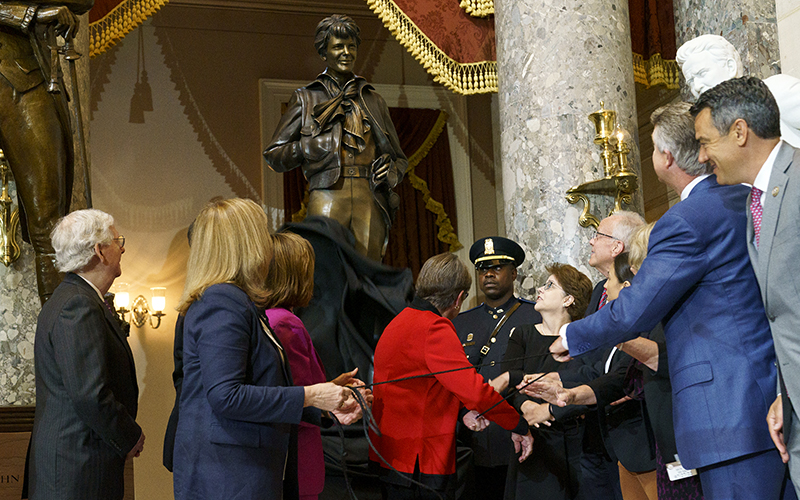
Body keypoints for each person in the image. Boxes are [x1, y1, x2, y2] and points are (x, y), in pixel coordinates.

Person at [550, 101, 788, 500]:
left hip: (728, 414)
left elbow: (635, 309)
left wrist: (571, 335)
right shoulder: (743, 198)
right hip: (764, 396)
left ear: (666, 157)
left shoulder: (688, 219)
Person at [172, 198, 357, 500]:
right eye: (262, 233)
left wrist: (326, 399)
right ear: (246, 244)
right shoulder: (222, 301)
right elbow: (226, 396)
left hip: (241, 469)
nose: (269, 245)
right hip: (230, 475)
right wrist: (312, 395)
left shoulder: (239, 301)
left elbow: (264, 387)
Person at [690, 76, 800, 498]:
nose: (701, 156)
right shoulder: (756, 199)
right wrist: (783, 393)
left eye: (705, 142)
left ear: (739, 132)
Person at [370, 252, 533, 500]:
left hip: (391, 454)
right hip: (421, 459)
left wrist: (461, 413)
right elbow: (475, 391)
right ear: (458, 299)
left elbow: (422, 383)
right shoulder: (434, 327)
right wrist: (519, 425)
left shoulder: (399, 321)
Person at [263, 14, 408, 261]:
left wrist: (390, 169)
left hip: (369, 195)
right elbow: (274, 154)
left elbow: (399, 159)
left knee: (369, 272)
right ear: (324, 52)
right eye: (338, 46)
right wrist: (308, 147)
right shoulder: (306, 98)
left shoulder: (373, 100)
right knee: (327, 269)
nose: (346, 52)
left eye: (351, 46)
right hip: (327, 193)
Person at [28, 209, 144, 499]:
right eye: (117, 240)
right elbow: (89, 393)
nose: (123, 247)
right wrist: (129, 436)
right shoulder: (77, 305)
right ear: (100, 251)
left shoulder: (74, 298)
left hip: (79, 464)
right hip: (78, 468)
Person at [263, 231, 369, 500]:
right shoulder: (287, 323)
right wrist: (338, 402)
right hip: (297, 453)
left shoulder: (267, 317)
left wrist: (333, 386)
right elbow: (298, 397)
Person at [0, 0, 93, 303]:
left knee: (50, 226)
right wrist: (30, 13)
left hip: (28, 70)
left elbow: (83, 3)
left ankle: (58, 336)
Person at [452, 236, 542, 500]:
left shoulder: (534, 316)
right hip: (474, 438)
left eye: (497, 267)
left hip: (520, 433)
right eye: (482, 269)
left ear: (513, 273)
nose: (488, 274)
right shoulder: (460, 323)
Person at [498, 263, 592, 500]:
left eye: (550, 285)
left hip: (579, 441)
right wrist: (528, 407)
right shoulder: (522, 334)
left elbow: (590, 382)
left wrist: (547, 410)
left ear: (568, 299)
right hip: (534, 441)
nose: (540, 288)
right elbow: (508, 381)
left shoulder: (583, 337)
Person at [676, 34, 800, 148]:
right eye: (691, 82)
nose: (696, 86)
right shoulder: (711, 130)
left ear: (730, 67)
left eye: (702, 73)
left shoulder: (773, 91)